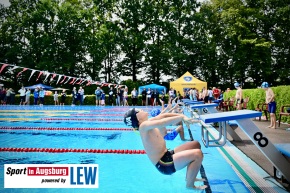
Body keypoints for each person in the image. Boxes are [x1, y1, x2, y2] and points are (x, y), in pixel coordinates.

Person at [123, 109, 207, 190]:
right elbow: (162, 122)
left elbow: (164, 116)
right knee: (197, 154)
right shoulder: (143, 127)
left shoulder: (148, 122)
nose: (141, 110)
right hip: (164, 164)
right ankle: (190, 186)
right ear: (137, 118)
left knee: (196, 144)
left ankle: (190, 177)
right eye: (138, 111)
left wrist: (182, 115)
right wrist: (182, 118)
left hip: (167, 154)